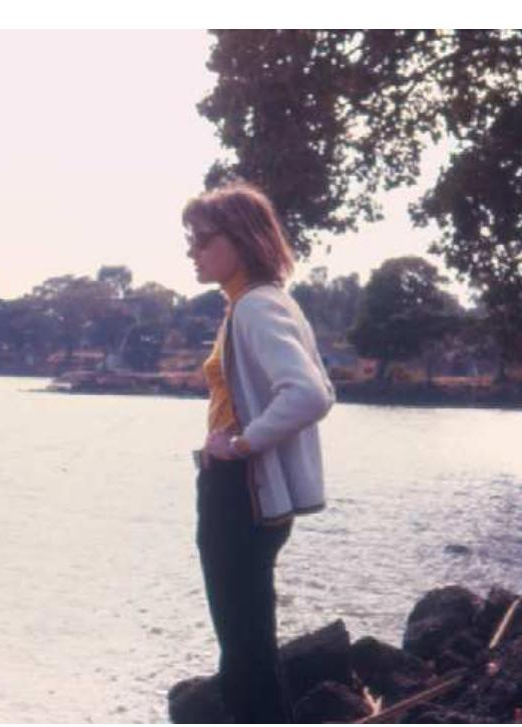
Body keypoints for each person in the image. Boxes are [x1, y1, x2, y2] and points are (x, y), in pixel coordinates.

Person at [181, 181, 335, 723]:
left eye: (202, 240)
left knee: (242, 645)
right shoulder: (261, 303)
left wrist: (243, 445)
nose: (192, 252)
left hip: (239, 488)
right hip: (243, 488)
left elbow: (310, 393)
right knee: (249, 638)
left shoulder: (254, 308)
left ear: (240, 240)